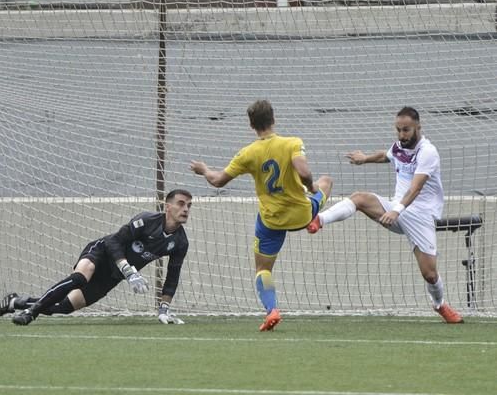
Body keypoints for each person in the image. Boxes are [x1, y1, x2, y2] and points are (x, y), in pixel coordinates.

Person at [307, 106, 463, 323]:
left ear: (418, 126)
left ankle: (440, 305)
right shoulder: (400, 145)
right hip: (396, 209)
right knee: (360, 198)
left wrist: (396, 211)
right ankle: (318, 220)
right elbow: (387, 154)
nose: (401, 135)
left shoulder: (428, 152)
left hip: (419, 216)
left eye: (406, 130)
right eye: (398, 130)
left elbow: (415, 188)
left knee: (430, 274)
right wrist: (365, 158)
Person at [190, 100, 333, 331]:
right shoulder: (292, 143)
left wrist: (204, 169)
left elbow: (217, 181)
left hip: (272, 221)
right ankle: (317, 220)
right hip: (301, 215)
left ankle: (272, 310)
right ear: (273, 119)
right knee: (326, 181)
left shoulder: (248, 153)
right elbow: (305, 172)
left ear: (251, 125)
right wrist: (312, 187)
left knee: (263, 269)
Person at [0, 189, 193, 325]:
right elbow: (113, 241)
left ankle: (16, 302)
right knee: (79, 278)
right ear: (168, 206)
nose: (185, 209)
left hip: (112, 275)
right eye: (181, 203)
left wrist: (164, 309)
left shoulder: (180, 242)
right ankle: (31, 313)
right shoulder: (146, 220)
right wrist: (128, 269)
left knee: (64, 308)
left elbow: (172, 275)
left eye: (189, 205)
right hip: (102, 253)